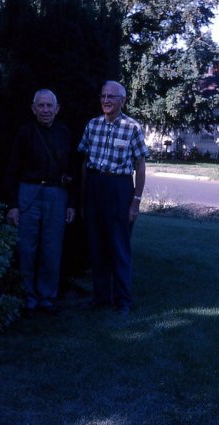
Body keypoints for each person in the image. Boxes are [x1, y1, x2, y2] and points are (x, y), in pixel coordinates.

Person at [77, 80, 149, 317]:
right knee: (96, 246)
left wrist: (135, 201)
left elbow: (140, 165)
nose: (106, 101)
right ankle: (100, 296)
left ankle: (123, 300)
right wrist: (83, 196)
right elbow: (84, 163)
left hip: (119, 189)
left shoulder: (132, 128)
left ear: (123, 101)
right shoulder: (92, 125)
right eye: (103, 96)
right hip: (95, 187)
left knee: (119, 246)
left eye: (111, 97)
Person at [6, 89, 76, 314]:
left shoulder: (65, 133)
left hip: (57, 195)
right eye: (41, 106)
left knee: (52, 248)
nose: (45, 110)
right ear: (33, 108)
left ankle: (47, 297)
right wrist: (13, 204)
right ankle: (28, 297)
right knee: (27, 248)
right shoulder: (24, 133)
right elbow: (13, 170)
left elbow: (73, 171)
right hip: (29, 193)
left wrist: (72, 203)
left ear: (57, 109)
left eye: (49, 106)